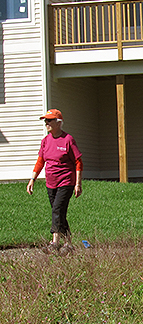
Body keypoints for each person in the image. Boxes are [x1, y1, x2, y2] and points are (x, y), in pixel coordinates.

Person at [27, 109, 83, 255]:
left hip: (66, 181)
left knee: (57, 209)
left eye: (49, 120)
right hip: (50, 182)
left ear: (58, 122)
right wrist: (32, 179)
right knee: (59, 212)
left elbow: (78, 162)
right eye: (45, 120)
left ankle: (55, 242)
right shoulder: (45, 141)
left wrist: (78, 183)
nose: (46, 123)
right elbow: (40, 161)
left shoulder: (68, 140)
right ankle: (68, 244)